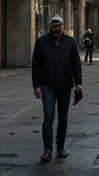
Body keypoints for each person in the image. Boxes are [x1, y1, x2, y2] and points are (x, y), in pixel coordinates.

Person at [31, 14, 83, 162]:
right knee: (48, 116)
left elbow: (76, 64)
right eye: (53, 26)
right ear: (50, 27)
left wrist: (78, 83)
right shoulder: (41, 42)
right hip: (47, 86)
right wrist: (36, 86)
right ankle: (47, 150)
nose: (56, 28)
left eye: (58, 25)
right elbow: (36, 65)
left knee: (63, 119)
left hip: (65, 86)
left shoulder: (70, 42)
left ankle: (61, 147)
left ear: (62, 26)